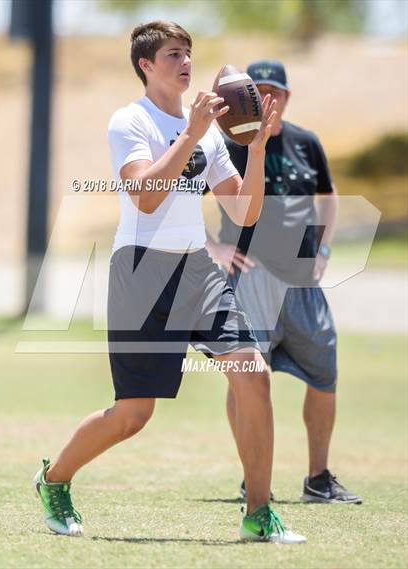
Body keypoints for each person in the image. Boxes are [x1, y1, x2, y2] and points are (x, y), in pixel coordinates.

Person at [33, 24, 307, 542]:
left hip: (197, 269)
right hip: (140, 270)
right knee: (134, 414)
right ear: (146, 65)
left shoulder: (207, 127)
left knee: (253, 374)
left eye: (188, 54)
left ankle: (258, 512)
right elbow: (145, 196)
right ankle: (54, 480)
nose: (185, 63)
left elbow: (244, 211)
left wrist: (255, 147)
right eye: (173, 54)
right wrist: (191, 131)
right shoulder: (129, 120)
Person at [207, 60, 361, 504]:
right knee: (247, 379)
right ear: (244, 99)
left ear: (288, 97)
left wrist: (325, 250)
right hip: (251, 278)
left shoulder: (305, 142)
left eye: (276, 91)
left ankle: (318, 478)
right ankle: (251, 479)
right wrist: (212, 247)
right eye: (257, 92)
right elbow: (177, 197)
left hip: (302, 283)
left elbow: (328, 197)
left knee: (324, 376)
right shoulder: (228, 144)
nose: (267, 99)